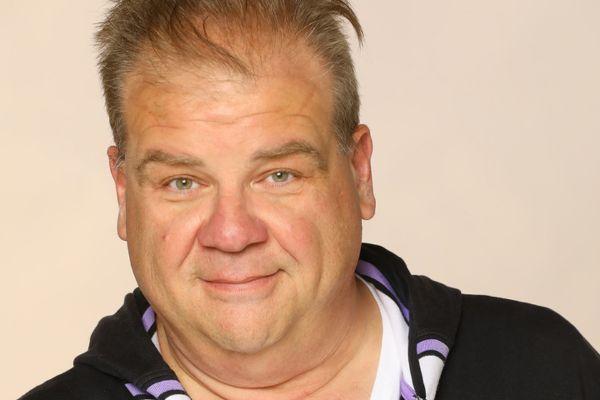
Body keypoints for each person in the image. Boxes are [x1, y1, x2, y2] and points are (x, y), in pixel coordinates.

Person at [19, 1, 599, 399]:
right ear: (125, 194)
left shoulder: (545, 370)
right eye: (182, 182)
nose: (231, 233)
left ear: (359, 171)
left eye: (278, 175)